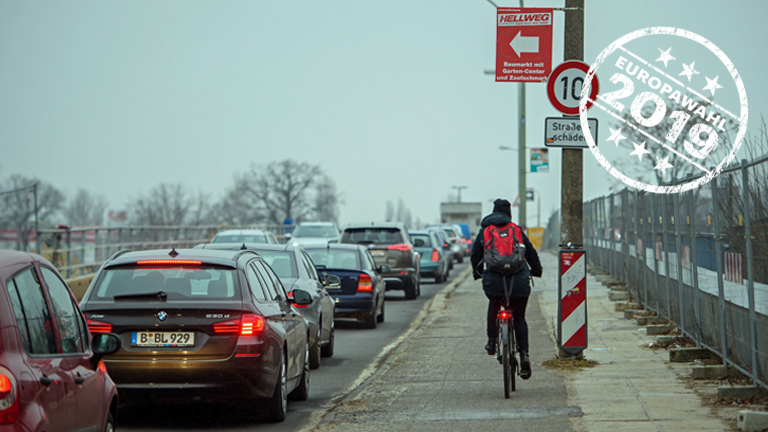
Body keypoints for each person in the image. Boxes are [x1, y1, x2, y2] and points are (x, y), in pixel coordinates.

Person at [470, 198, 543, 380]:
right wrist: (537, 270)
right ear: (509, 214)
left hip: (494, 282)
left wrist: (477, 272)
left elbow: (475, 255)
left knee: (494, 304)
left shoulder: (485, 231)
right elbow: (531, 252)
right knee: (519, 318)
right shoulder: (516, 230)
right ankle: (524, 355)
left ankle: (492, 341)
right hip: (518, 282)